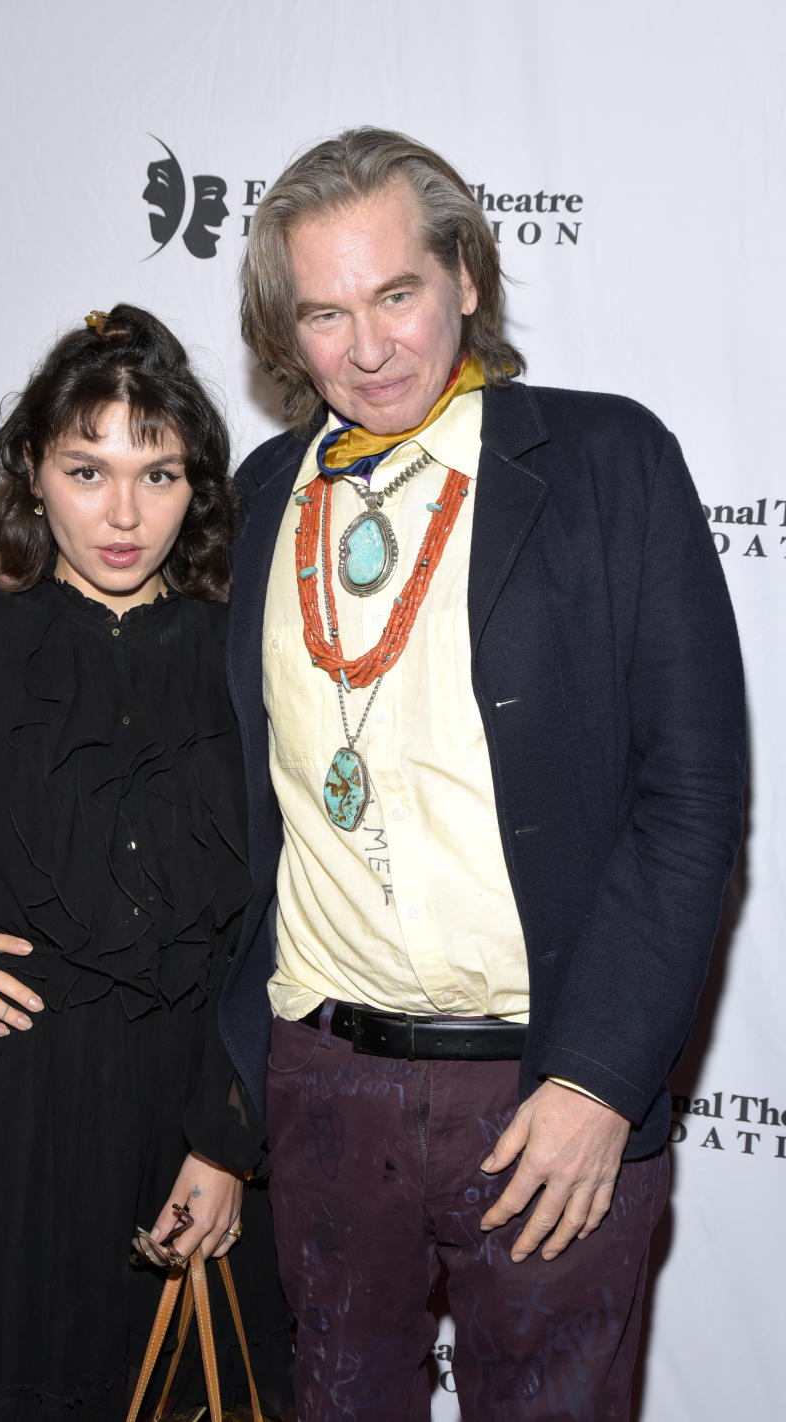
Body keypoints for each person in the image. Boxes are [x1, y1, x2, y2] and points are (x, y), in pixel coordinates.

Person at [215, 128, 747, 1420]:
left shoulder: (608, 463)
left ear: (463, 273)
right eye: (327, 314)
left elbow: (691, 801)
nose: (372, 345)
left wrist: (601, 1079)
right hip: (325, 1083)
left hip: (546, 1088)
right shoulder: (264, 491)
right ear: (290, 333)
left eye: (397, 293)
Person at [0, 305, 290, 1421]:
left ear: (201, 486)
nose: (124, 513)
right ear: (33, 472)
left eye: (160, 472)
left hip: (191, 1121)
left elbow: (287, 922)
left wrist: (226, 1143)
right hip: (0, 1123)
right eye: (88, 469)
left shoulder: (255, 658)